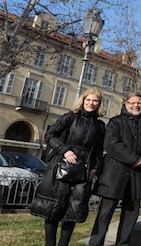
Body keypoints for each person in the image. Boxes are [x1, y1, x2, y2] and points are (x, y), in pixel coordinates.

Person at [30, 87, 106, 246]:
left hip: (84, 172)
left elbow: (99, 151)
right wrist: (65, 150)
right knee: (53, 209)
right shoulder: (70, 117)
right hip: (60, 167)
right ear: (83, 101)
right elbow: (50, 135)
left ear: (99, 104)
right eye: (88, 100)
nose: (91, 103)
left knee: (73, 210)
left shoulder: (99, 126)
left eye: (95, 101)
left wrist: (95, 169)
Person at [88, 93, 141, 246]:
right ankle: (96, 243)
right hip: (114, 174)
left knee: (130, 215)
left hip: (138, 175)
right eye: (132, 103)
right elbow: (112, 144)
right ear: (126, 103)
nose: (136, 106)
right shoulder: (115, 122)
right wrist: (134, 159)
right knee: (105, 214)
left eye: (139, 103)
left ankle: (123, 243)